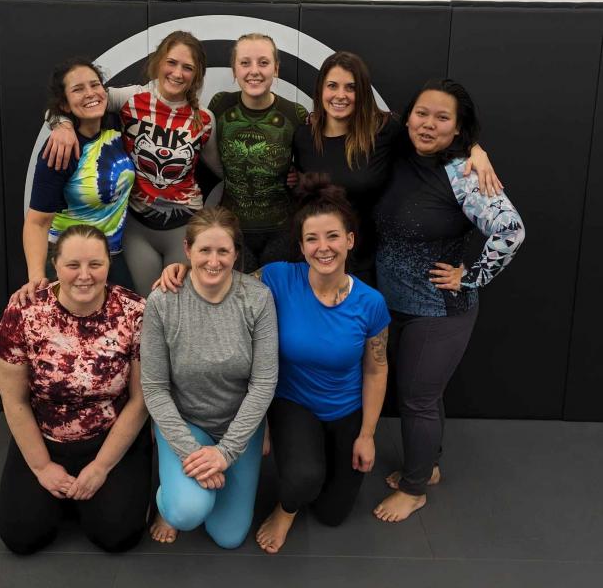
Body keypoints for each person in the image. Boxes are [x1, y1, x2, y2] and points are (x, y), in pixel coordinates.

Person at [156, 175, 390, 554]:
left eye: (332, 236)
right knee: (302, 478)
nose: (323, 247)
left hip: (345, 407)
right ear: (301, 246)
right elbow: (223, 277)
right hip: (293, 402)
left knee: (332, 513)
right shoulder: (278, 277)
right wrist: (185, 269)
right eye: (312, 239)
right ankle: (285, 511)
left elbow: (376, 369)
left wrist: (367, 433)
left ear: (349, 240)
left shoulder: (371, 303)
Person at [372, 79, 525, 522]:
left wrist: (471, 277)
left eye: (442, 118)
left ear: (458, 128)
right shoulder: (398, 154)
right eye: (422, 114)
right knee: (425, 393)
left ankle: (414, 488)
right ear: (407, 117)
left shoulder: (464, 173)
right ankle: (429, 464)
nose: (428, 124)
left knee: (417, 399)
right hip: (393, 305)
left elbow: (511, 230)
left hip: (438, 311)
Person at [0, 225, 151, 554]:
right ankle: (64, 494)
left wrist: (102, 466)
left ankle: (97, 492)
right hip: (46, 437)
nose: (84, 275)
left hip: (110, 436)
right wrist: (41, 467)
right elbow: (14, 399)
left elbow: (140, 401)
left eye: (95, 264)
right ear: (55, 264)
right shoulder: (23, 312)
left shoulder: (136, 312)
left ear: (108, 264)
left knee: (117, 535)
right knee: (21, 536)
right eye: (72, 265)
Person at [293, 51, 501, 284]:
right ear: (320, 89)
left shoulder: (384, 131)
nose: (340, 95)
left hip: (367, 264)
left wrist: (475, 149)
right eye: (332, 85)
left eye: (351, 87)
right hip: (317, 260)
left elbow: (428, 134)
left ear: (362, 92)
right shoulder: (303, 137)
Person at [44, 31, 223, 296]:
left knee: (179, 304)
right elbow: (77, 102)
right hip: (137, 226)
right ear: (158, 62)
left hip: (185, 224)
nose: (177, 73)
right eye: (171, 63)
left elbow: (221, 171)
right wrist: (62, 125)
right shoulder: (130, 98)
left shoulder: (204, 119)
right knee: (143, 304)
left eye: (187, 67)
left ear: (197, 75)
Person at [140, 206, 278, 549]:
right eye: (204, 250)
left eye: (223, 251)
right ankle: (168, 502)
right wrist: (192, 454)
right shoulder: (163, 301)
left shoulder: (257, 299)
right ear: (187, 250)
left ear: (236, 254)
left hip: (238, 426)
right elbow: (154, 388)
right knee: (187, 511)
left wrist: (225, 453)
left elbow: (263, 383)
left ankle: (195, 482)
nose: (213, 261)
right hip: (187, 422)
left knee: (228, 536)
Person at [18, 57, 136, 304]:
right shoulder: (61, 150)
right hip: (70, 261)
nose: (90, 93)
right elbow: (37, 223)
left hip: (111, 255)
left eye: (95, 85)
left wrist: (58, 120)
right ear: (65, 104)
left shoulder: (116, 122)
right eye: (78, 89)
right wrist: (37, 278)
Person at [208, 33, 308, 270]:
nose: (254, 71)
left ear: (276, 69)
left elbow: (310, 166)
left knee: (274, 291)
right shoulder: (220, 105)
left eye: (263, 63)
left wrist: (298, 174)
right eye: (245, 63)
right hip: (230, 231)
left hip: (283, 231)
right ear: (234, 70)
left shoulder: (295, 114)